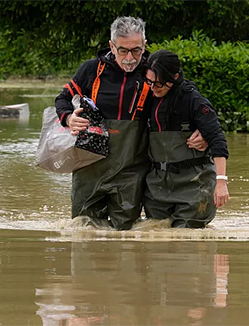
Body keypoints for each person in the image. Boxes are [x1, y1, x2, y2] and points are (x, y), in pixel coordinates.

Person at [55, 17, 206, 230]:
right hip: (88, 167)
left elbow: (189, 98)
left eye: (136, 50)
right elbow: (62, 99)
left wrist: (203, 130)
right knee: (82, 230)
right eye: (122, 50)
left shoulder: (154, 72)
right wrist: (69, 117)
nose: (129, 58)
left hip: (132, 170)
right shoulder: (91, 70)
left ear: (145, 45)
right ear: (111, 46)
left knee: (124, 235)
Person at [143, 49, 230, 228]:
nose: (153, 88)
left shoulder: (194, 101)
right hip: (157, 187)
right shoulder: (147, 98)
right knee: (156, 235)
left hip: (194, 185)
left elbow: (217, 140)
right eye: (149, 82)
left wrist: (221, 182)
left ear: (174, 77)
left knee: (188, 241)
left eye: (158, 84)